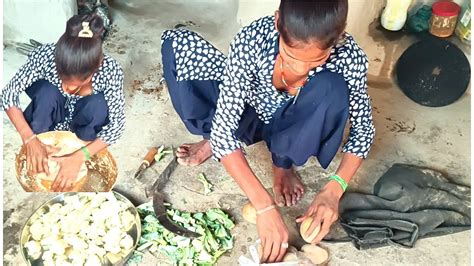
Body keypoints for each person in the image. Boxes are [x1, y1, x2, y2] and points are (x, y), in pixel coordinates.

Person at [161, 0, 375, 262]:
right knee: (177, 43)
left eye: (316, 60)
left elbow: (363, 131)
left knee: (331, 88)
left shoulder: (348, 57)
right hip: (251, 108)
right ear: (277, 22)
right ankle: (215, 139)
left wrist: (334, 190)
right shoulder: (253, 39)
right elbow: (229, 108)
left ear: (338, 38)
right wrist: (264, 206)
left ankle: (282, 162)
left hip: (297, 123)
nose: (300, 69)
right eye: (290, 55)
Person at [2, 14, 125, 192]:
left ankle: (82, 139)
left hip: (83, 119)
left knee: (98, 104)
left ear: (98, 66)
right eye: (63, 79)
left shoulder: (110, 70)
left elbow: (117, 126)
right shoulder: (45, 55)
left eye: (77, 83)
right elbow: (8, 95)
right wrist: (29, 138)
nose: (67, 88)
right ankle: (42, 140)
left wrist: (80, 156)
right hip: (51, 110)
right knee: (47, 92)